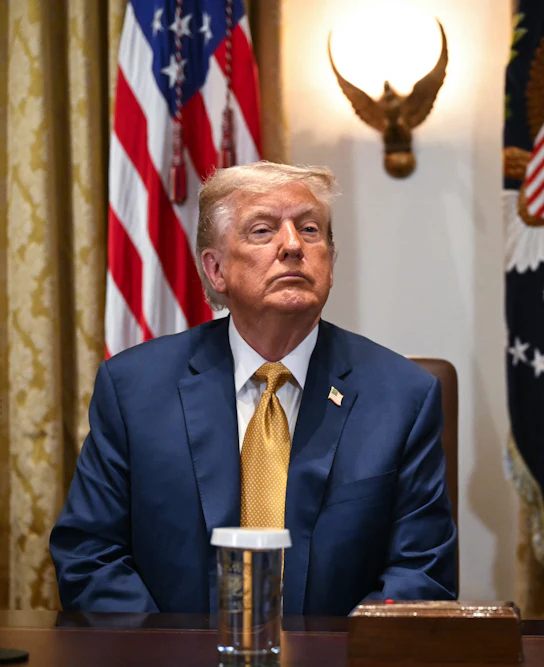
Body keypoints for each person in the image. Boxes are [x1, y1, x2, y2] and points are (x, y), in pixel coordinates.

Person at [50, 162, 456, 614]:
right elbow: (90, 555)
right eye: (263, 230)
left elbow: (422, 570)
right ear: (216, 269)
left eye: (310, 229)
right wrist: (165, 652)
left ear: (331, 263)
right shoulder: (133, 390)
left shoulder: (403, 398)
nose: (292, 245)